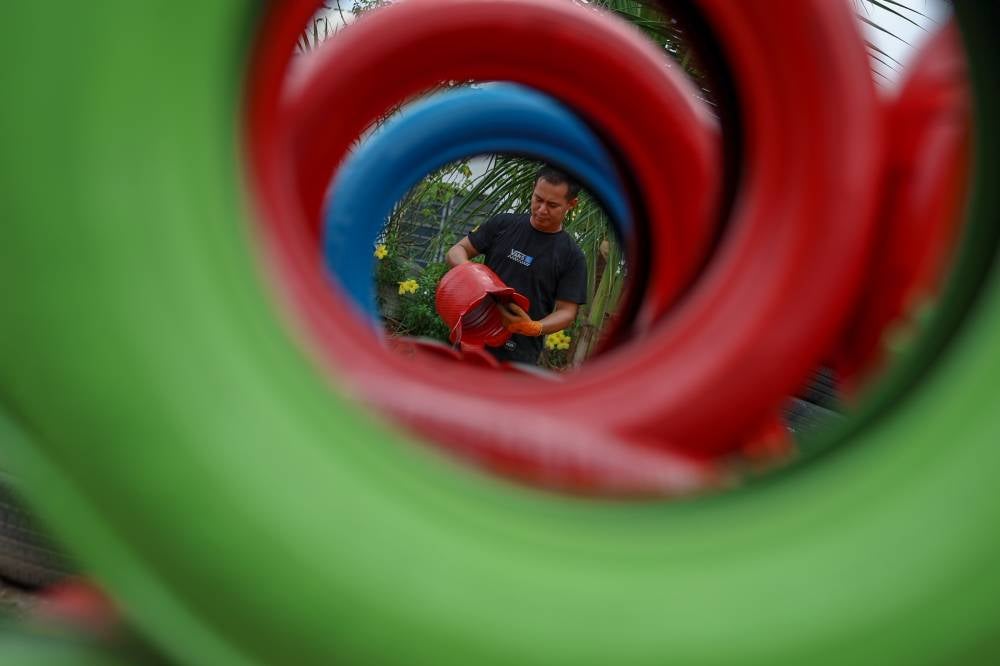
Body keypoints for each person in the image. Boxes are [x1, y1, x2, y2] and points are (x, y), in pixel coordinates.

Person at [445, 165, 588, 365]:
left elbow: (567, 312)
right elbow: (456, 251)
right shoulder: (503, 224)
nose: (541, 209)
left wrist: (533, 327)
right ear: (533, 189)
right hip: (473, 340)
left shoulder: (572, 256)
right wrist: (473, 276)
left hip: (518, 357)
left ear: (571, 204)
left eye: (552, 205)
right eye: (538, 199)